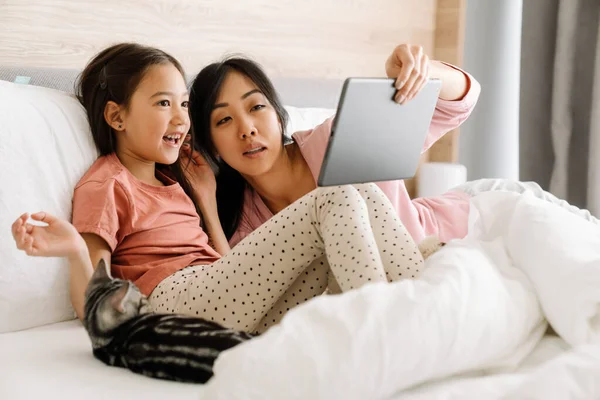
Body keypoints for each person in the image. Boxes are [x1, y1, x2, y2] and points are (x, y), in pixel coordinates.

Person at [11, 42, 430, 334]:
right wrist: (71, 250)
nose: (180, 119)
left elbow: (227, 270)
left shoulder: (177, 185)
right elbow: (93, 302)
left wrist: (207, 202)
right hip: (173, 301)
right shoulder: (108, 184)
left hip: (218, 293)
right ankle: (388, 331)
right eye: (163, 103)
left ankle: (424, 310)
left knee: (363, 193)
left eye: (184, 104)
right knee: (334, 197)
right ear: (117, 117)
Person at [188, 44, 481, 248]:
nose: (247, 129)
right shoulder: (244, 223)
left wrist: (423, 70)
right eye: (224, 120)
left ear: (278, 116)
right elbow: (232, 289)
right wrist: (208, 208)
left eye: (256, 107)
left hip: (459, 236)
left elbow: (459, 104)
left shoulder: (341, 135)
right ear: (212, 145)